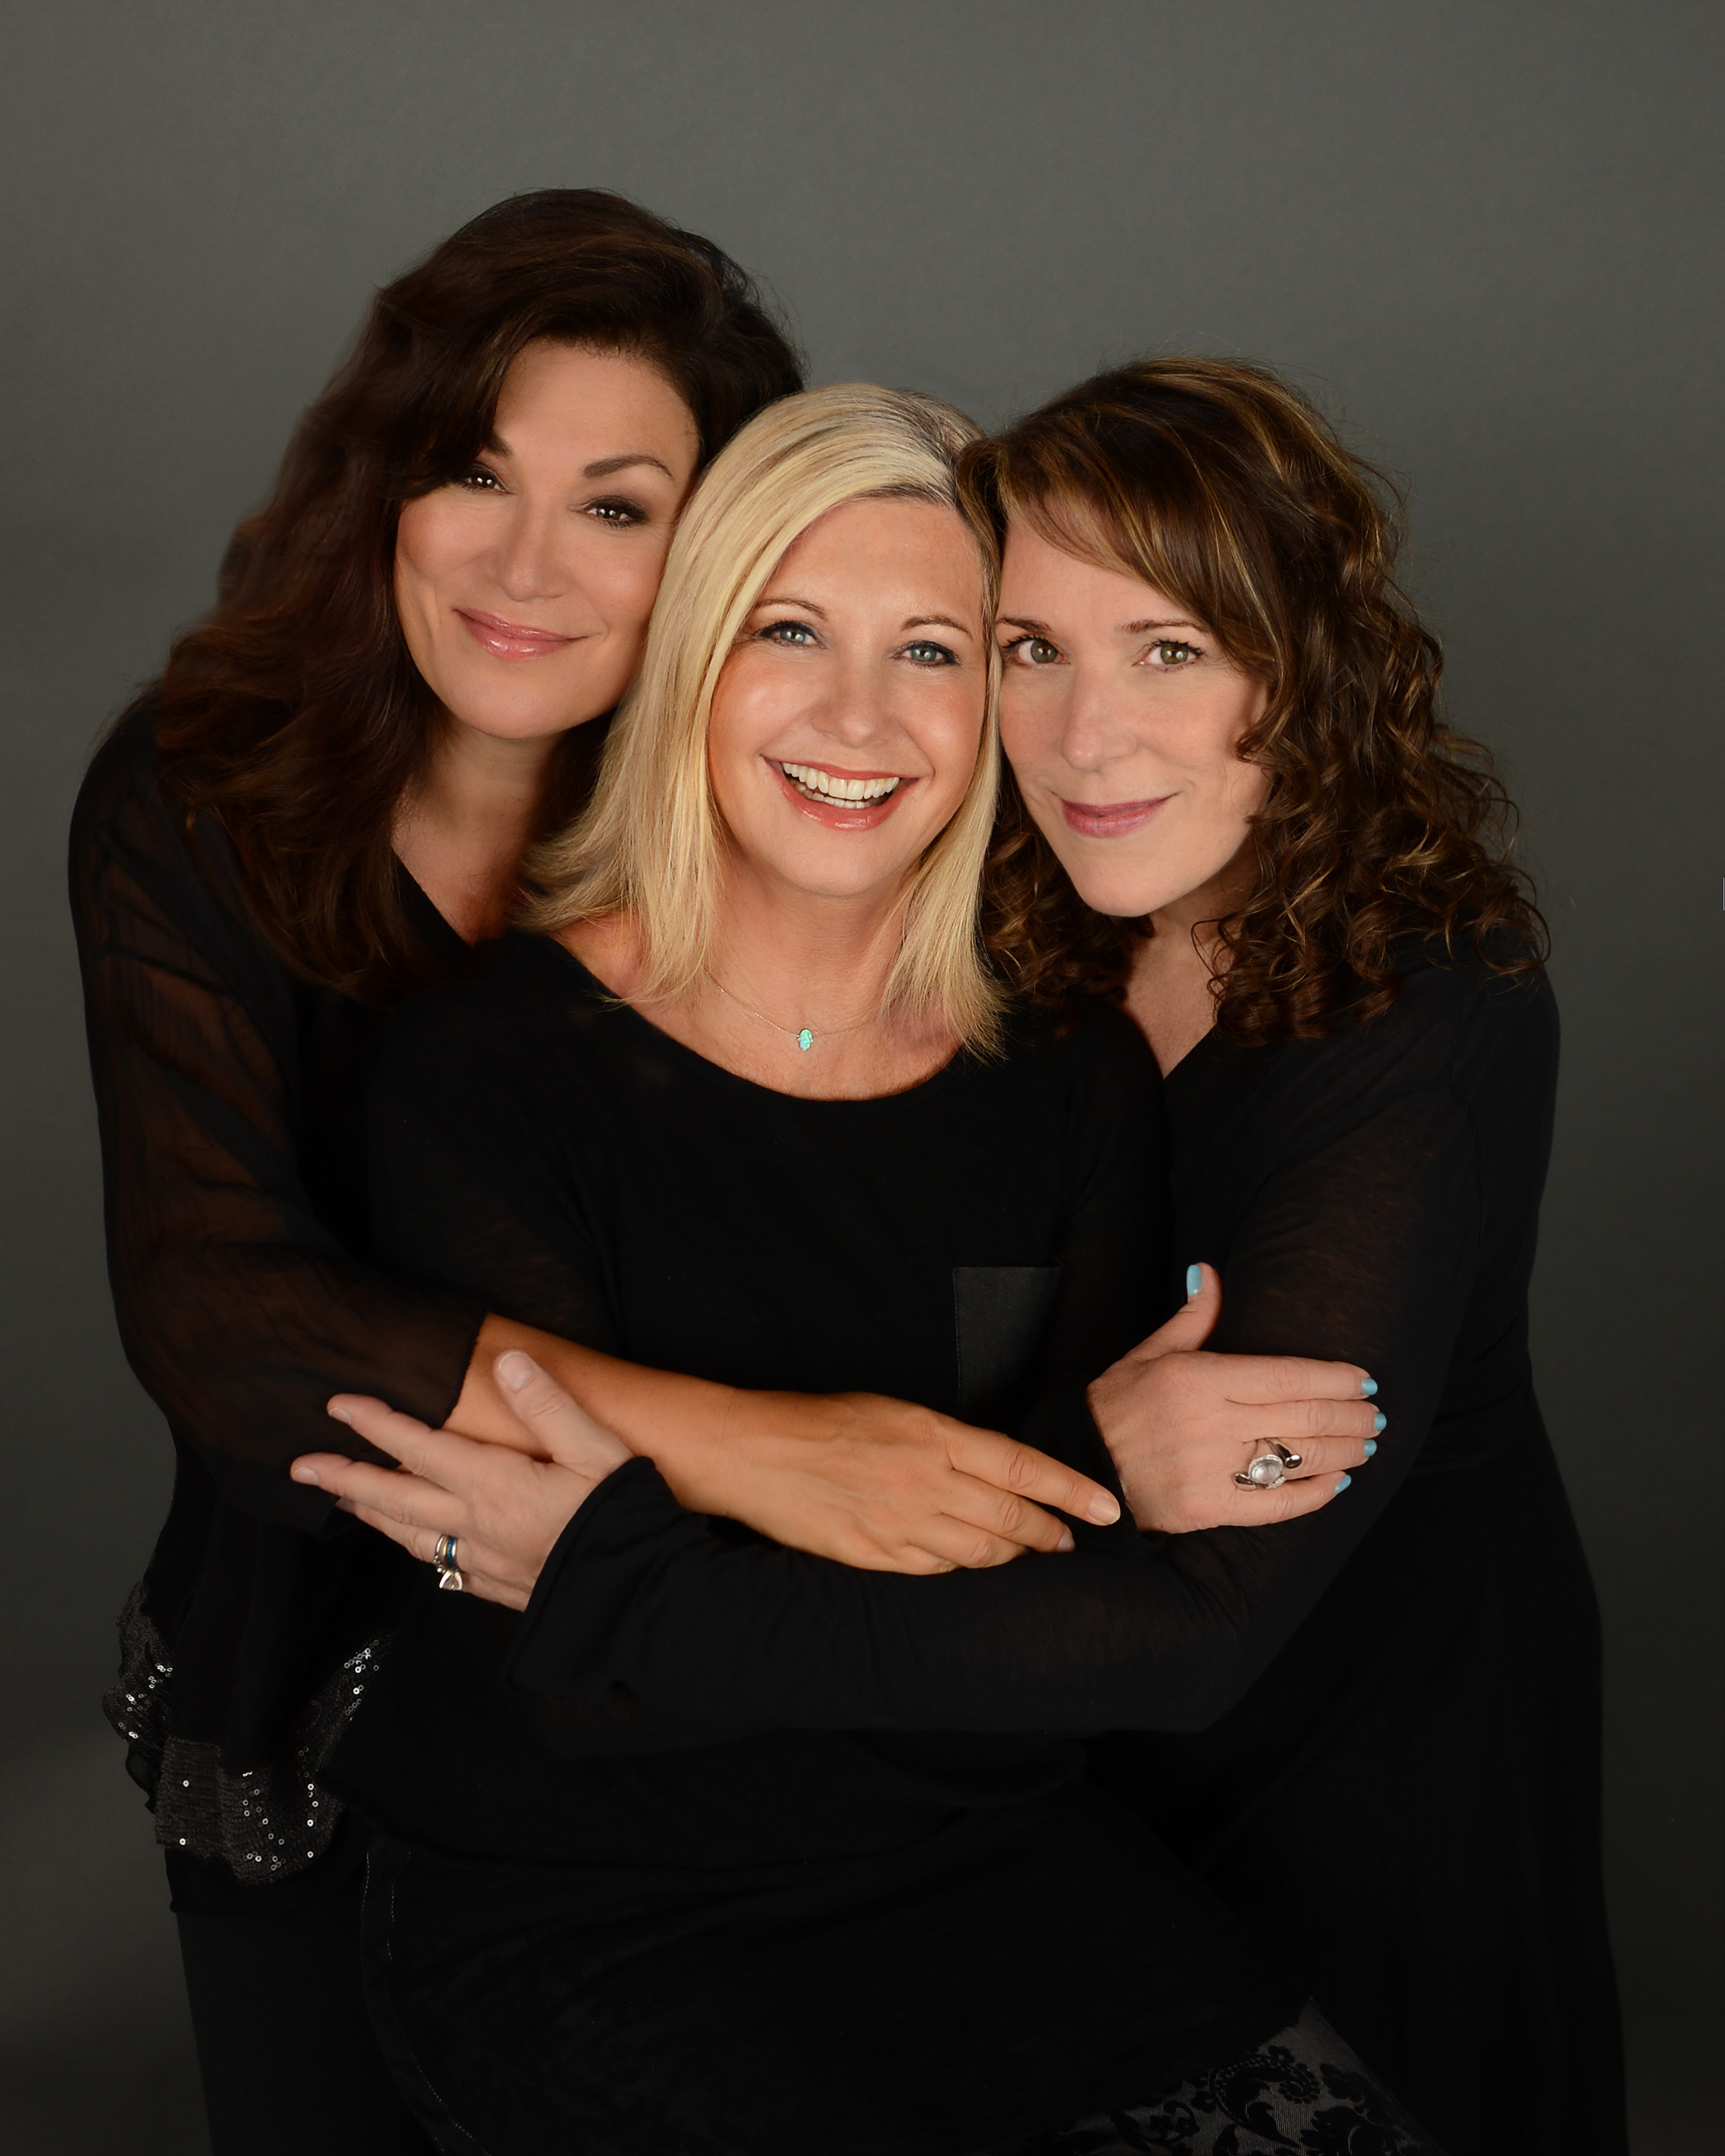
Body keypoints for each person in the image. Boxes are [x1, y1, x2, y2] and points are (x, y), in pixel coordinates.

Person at [300, 382, 1440, 2156]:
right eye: (789, 632)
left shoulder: (1065, 1077)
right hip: (580, 1906)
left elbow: (1075, 1600)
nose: (859, 716)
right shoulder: (488, 1071)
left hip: (986, 1860)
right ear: (694, 660)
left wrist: (1052, 1483)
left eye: (931, 649)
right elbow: (574, 1683)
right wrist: (1067, 1468)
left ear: (994, 703)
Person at [70, 186, 803, 2155]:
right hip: (306, 1674)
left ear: (711, 555)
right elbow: (227, 1322)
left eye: (617, 507)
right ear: (381, 487)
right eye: (474, 471)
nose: (524, 563)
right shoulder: (199, 791)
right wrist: (766, 1448)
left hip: (688, 1695)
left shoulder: (786, 815)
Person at [966, 359, 1625, 2156]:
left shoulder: (1430, 1005)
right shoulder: (1023, 952)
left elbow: (1238, 1554)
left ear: (1303, 666)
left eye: (1169, 649)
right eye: (1031, 650)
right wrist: (1096, 1451)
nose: (1086, 734)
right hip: (1058, 1736)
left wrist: (999, 1459)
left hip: (1375, 1741)